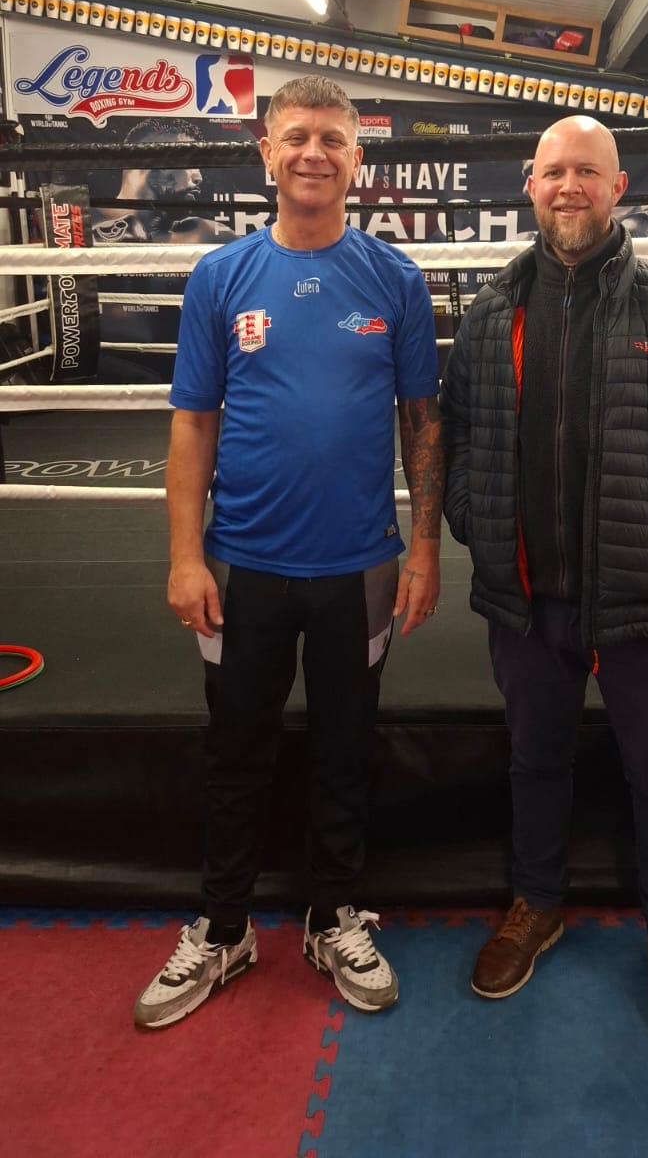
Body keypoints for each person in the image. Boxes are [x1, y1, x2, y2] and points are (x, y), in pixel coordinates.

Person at [440, 115, 648, 1042]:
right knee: (534, 758)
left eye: (588, 170)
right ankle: (537, 901)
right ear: (529, 185)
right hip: (527, 593)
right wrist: (477, 522)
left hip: (647, 590)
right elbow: (457, 432)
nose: (570, 186)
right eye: (554, 172)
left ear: (621, 188)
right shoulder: (493, 308)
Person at [134, 75, 443, 1028]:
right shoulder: (220, 277)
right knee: (236, 748)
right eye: (297, 136)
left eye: (333, 139)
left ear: (359, 160)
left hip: (360, 567)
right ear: (264, 153)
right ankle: (223, 928)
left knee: (347, 748)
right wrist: (185, 556)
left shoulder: (395, 279)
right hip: (242, 565)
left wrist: (425, 547)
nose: (315, 153)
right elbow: (193, 425)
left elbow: (422, 423)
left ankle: (331, 914)